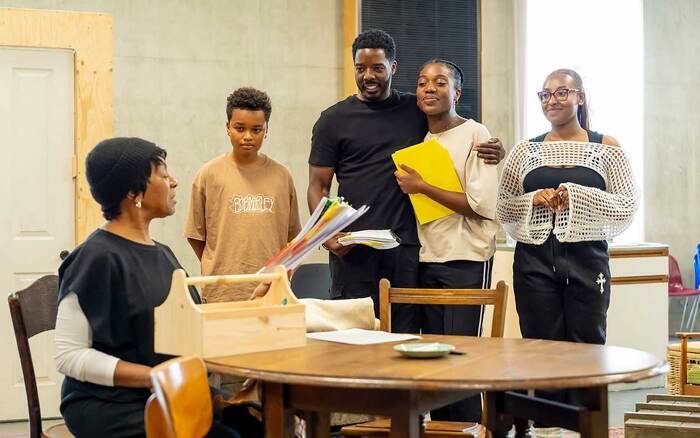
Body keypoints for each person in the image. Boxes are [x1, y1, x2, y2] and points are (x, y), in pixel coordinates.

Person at [54, 137, 260, 437]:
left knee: (255, 424)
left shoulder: (162, 252)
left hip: (169, 392)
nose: (173, 182)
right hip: (112, 403)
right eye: (163, 175)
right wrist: (155, 377)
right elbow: (69, 356)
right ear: (133, 191)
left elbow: (189, 322)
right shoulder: (95, 257)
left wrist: (253, 305)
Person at [308, 29, 504, 331]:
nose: (368, 76)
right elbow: (317, 186)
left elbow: (454, 123)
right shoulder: (332, 120)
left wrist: (494, 145)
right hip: (353, 249)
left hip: (406, 251)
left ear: (393, 68)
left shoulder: (415, 109)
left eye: (377, 68)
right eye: (361, 68)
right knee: (353, 343)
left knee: (407, 340)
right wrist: (326, 234)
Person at [496, 69, 638, 436]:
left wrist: (575, 195)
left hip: (587, 258)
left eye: (561, 92)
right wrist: (535, 198)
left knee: (588, 342)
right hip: (534, 258)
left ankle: (587, 427)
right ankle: (545, 427)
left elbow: (626, 205)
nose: (551, 101)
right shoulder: (525, 150)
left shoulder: (606, 146)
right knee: (541, 344)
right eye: (544, 95)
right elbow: (505, 206)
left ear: (580, 97)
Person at [393, 59, 499, 424]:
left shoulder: (477, 135)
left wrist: (422, 186)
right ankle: (440, 430)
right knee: (433, 359)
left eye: (440, 82)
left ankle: (468, 428)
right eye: (422, 82)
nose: (429, 88)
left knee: (461, 358)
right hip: (426, 258)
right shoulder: (421, 141)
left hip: (465, 258)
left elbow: (480, 206)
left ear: (456, 92)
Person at [185, 87, 301, 302]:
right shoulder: (209, 175)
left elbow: (293, 238)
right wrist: (219, 264)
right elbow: (196, 235)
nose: (248, 136)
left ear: (266, 130)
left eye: (256, 130)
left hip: (271, 290)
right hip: (222, 290)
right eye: (240, 128)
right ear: (228, 127)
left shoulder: (282, 176)